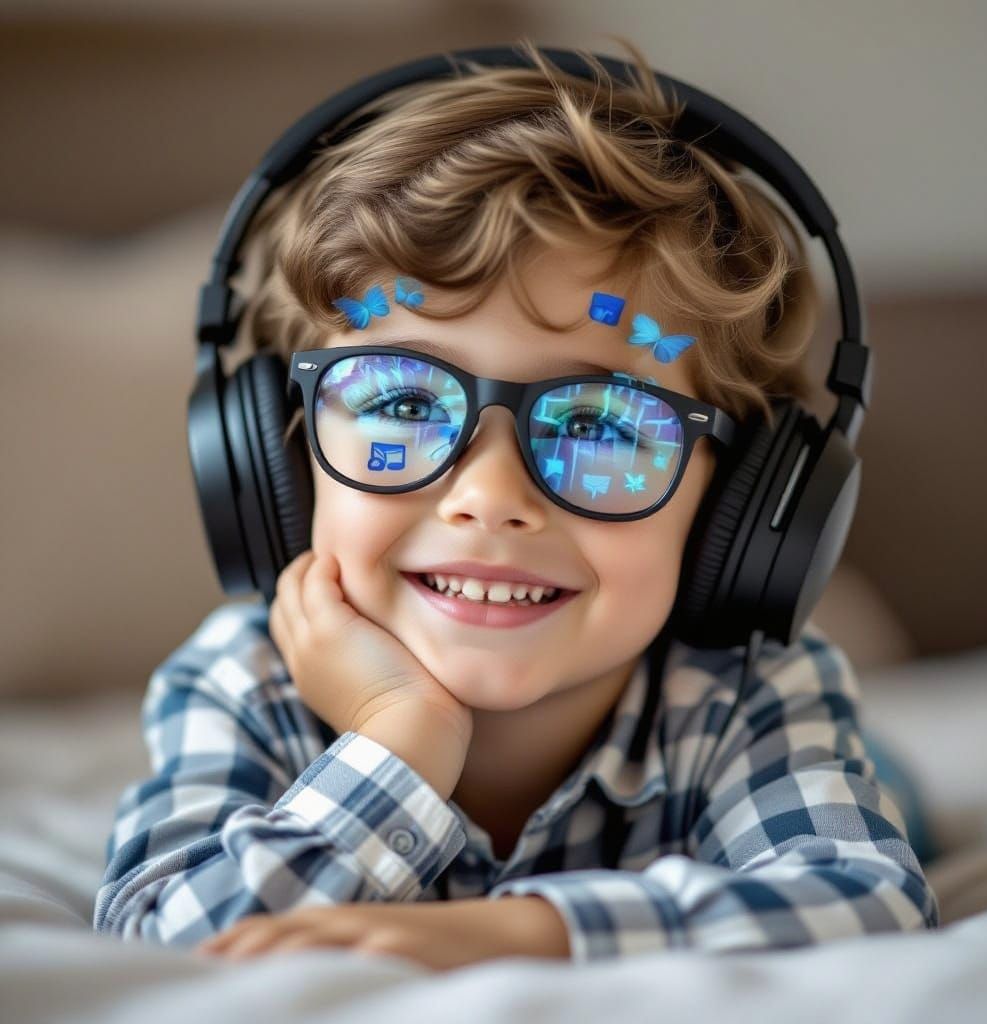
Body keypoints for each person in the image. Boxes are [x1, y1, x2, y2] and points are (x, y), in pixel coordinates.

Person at [93, 37, 939, 969]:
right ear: (280, 456)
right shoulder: (244, 678)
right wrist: (398, 739)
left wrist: (520, 931)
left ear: (736, 499)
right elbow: (171, 942)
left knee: (903, 801)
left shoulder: (744, 689)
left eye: (606, 425)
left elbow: (868, 899)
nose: (491, 500)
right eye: (404, 400)